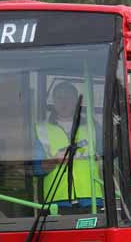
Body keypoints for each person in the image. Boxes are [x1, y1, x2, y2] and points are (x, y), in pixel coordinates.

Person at [36, 81, 102, 211]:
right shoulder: (40, 129)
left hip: (92, 199)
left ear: (76, 101)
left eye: (69, 97)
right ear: (53, 101)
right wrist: (54, 161)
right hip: (57, 201)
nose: (64, 102)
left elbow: (110, 155)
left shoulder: (93, 127)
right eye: (60, 98)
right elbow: (35, 169)